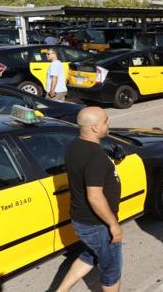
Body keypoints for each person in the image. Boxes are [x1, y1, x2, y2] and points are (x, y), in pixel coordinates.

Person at [58, 107, 122, 292]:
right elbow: (94, 196)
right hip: (97, 224)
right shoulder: (95, 156)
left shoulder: (73, 146)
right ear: (94, 128)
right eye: (105, 121)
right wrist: (113, 225)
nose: (108, 123)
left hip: (82, 220)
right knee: (111, 270)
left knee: (91, 253)